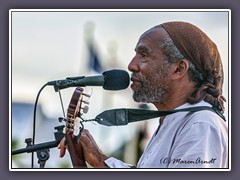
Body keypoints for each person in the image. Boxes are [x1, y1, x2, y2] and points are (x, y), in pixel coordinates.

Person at [58, 21, 228, 168]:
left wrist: (102, 161)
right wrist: (100, 161)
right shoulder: (175, 122)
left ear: (178, 69)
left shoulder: (200, 125)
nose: (131, 65)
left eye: (144, 55)